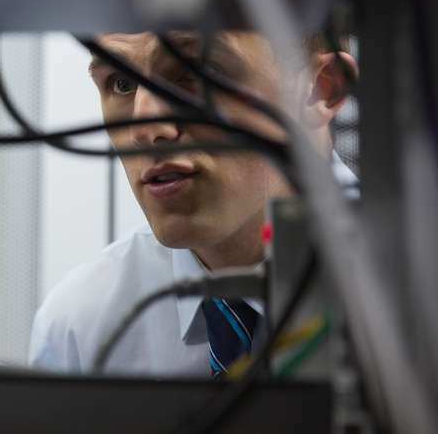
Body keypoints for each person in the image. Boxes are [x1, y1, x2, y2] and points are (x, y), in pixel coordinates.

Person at [29, 31, 357, 376]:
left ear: (323, 89)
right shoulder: (79, 330)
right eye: (122, 83)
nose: (145, 127)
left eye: (197, 71)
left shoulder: (412, 290)